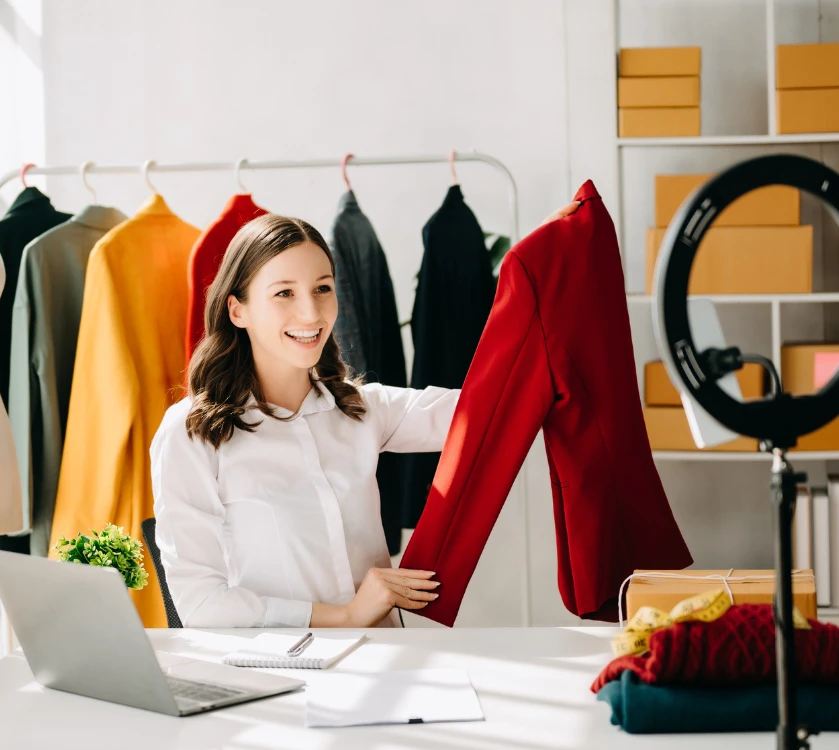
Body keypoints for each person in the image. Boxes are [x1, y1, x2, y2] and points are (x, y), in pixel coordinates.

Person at [151, 203, 579, 629]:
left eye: (323, 288)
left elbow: (493, 409)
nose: (312, 314)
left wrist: (535, 262)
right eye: (284, 293)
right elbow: (202, 604)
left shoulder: (360, 411)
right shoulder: (193, 435)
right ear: (237, 310)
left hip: (383, 659)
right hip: (279, 675)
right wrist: (346, 617)